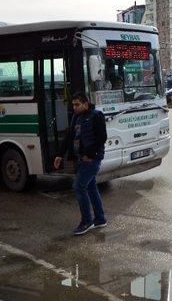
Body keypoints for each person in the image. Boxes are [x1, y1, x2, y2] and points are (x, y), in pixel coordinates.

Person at [54, 92, 108, 235]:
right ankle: (100, 219)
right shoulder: (76, 117)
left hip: (91, 160)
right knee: (90, 187)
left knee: (79, 186)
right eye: (73, 105)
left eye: (77, 104)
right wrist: (60, 154)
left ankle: (86, 221)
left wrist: (89, 155)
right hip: (80, 159)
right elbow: (69, 137)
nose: (74, 107)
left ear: (85, 103)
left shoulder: (96, 116)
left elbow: (102, 137)